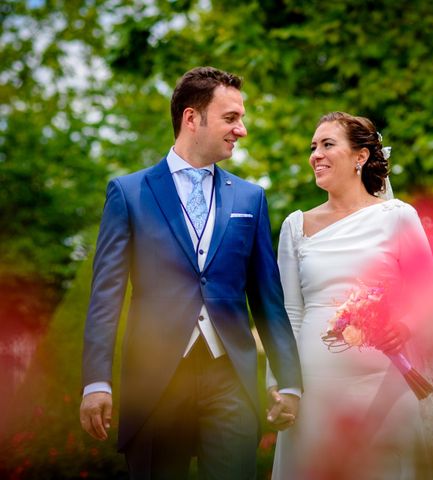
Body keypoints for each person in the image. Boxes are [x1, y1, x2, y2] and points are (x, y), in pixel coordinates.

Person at [79, 66, 302, 480]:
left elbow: (268, 298)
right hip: (156, 382)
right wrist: (96, 382)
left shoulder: (250, 198)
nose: (242, 130)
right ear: (192, 118)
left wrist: (289, 381)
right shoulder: (128, 193)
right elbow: (105, 297)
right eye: (231, 118)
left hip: (230, 380)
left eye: (242, 118)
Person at [269, 112, 433, 479]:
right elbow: (290, 315)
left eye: (328, 144)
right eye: (313, 147)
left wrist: (404, 328)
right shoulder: (296, 227)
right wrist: (282, 385)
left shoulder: (398, 217)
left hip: (383, 384)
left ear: (360, 156)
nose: (316, 155)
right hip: (315, 385)